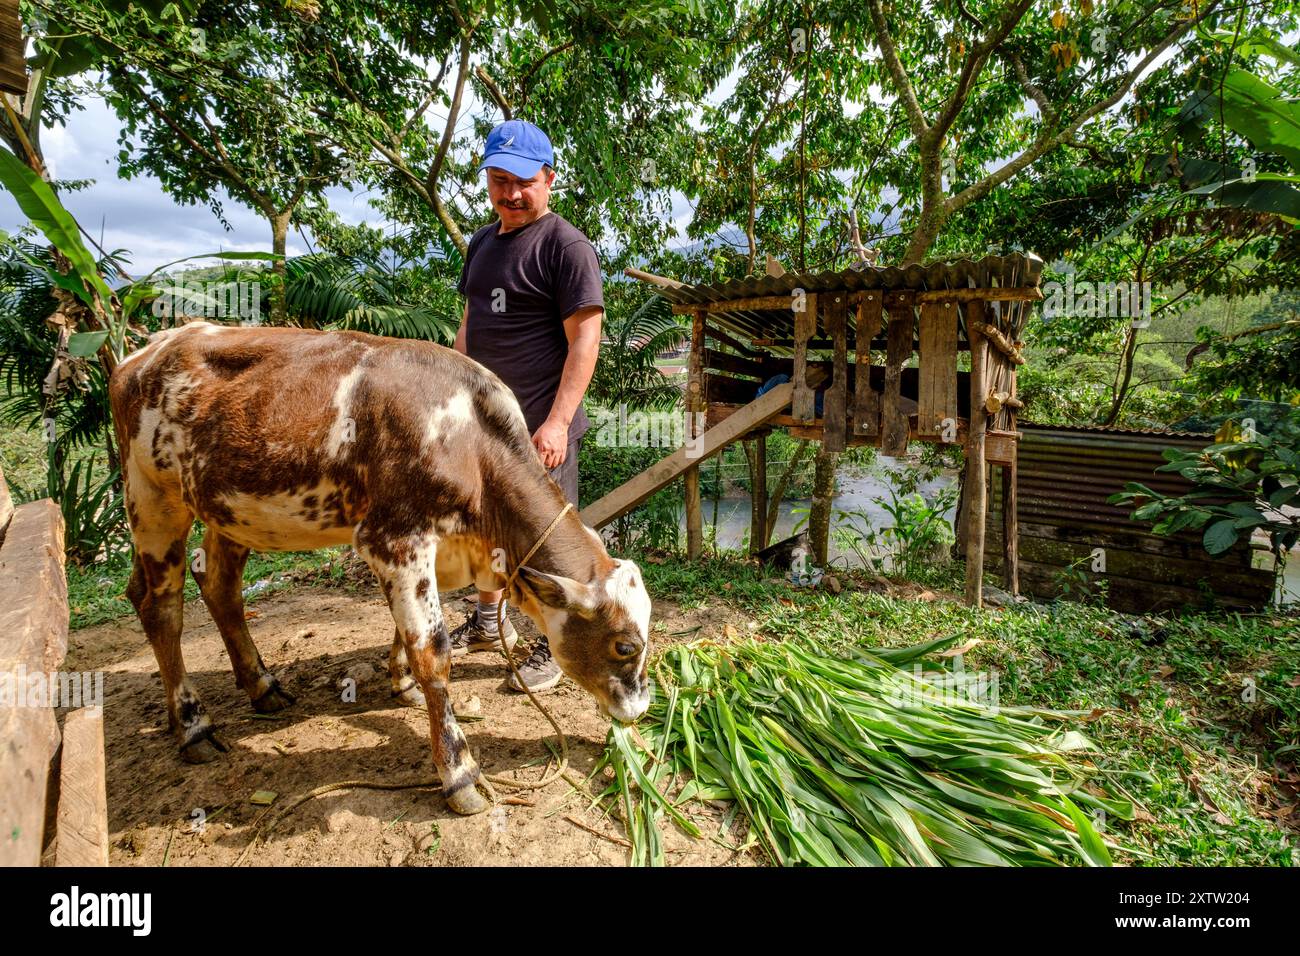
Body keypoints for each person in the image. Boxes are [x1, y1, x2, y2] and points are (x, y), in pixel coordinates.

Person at [447, 119, 604, 692]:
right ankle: (490, 622)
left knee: (547, 540)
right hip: (484, 429)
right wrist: (453, 398)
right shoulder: (482, 244)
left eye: (521, 181)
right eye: (497, 179)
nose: (509, 193)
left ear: (548, 179)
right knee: (485, 531)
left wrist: (559, 422)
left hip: (542, 429)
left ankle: (549, 645)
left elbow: (586, 339)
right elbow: (471, 326)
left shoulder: (566, 247)